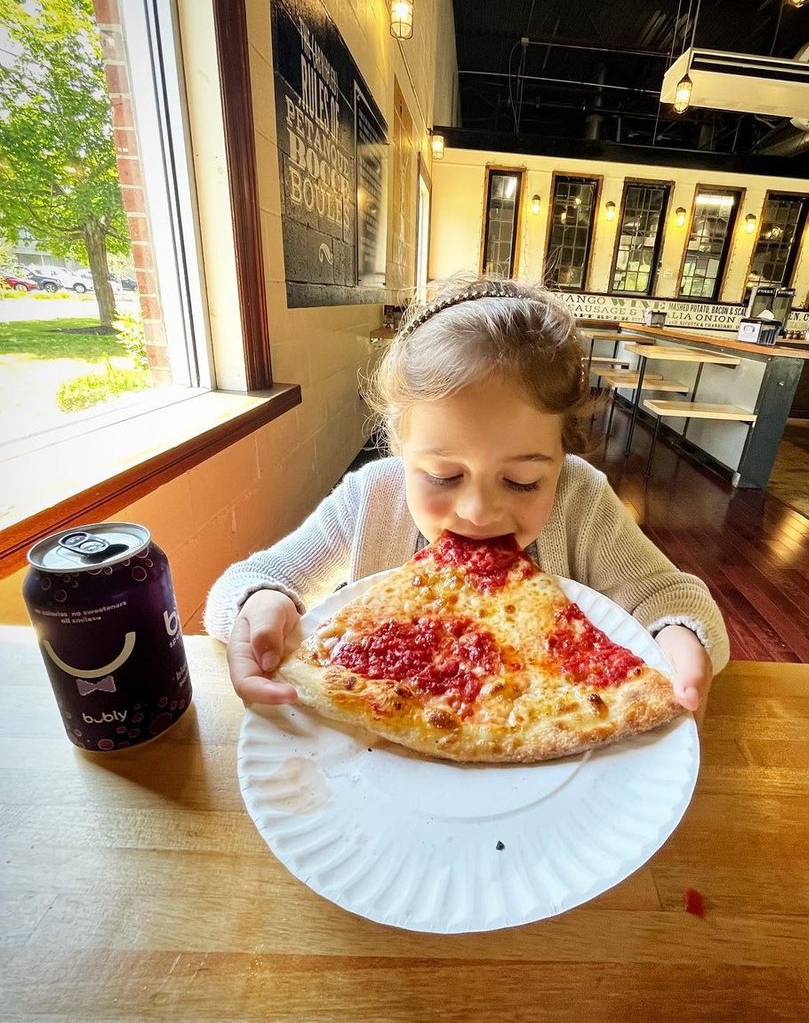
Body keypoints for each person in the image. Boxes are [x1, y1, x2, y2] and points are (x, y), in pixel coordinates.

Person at [204, 276, 729, 718]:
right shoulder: (371, 498)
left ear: (562, 450)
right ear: (399, 448)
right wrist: (260, 603)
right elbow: (244, 585)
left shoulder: (581, 501)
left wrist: (685, 639)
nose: (479, 512)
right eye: (441, 475)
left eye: (523, 481)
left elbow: (672, 599)